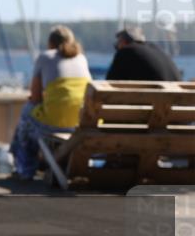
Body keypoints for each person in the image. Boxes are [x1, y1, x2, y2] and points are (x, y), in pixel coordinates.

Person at [9, 25, 91, 180]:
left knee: (27, 113)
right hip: (80, 123)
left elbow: (35, 98)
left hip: (54, 123)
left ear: (50, 42)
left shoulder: (45, 57)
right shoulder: (81, 58)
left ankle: (25, 169)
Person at [106, 26, 181, 81]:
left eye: (117, 44)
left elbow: (111, 82)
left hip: (153, 99)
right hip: (175, 99)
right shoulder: (157, 49)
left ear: (123, 42)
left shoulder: (126, 51)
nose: (116, 47)